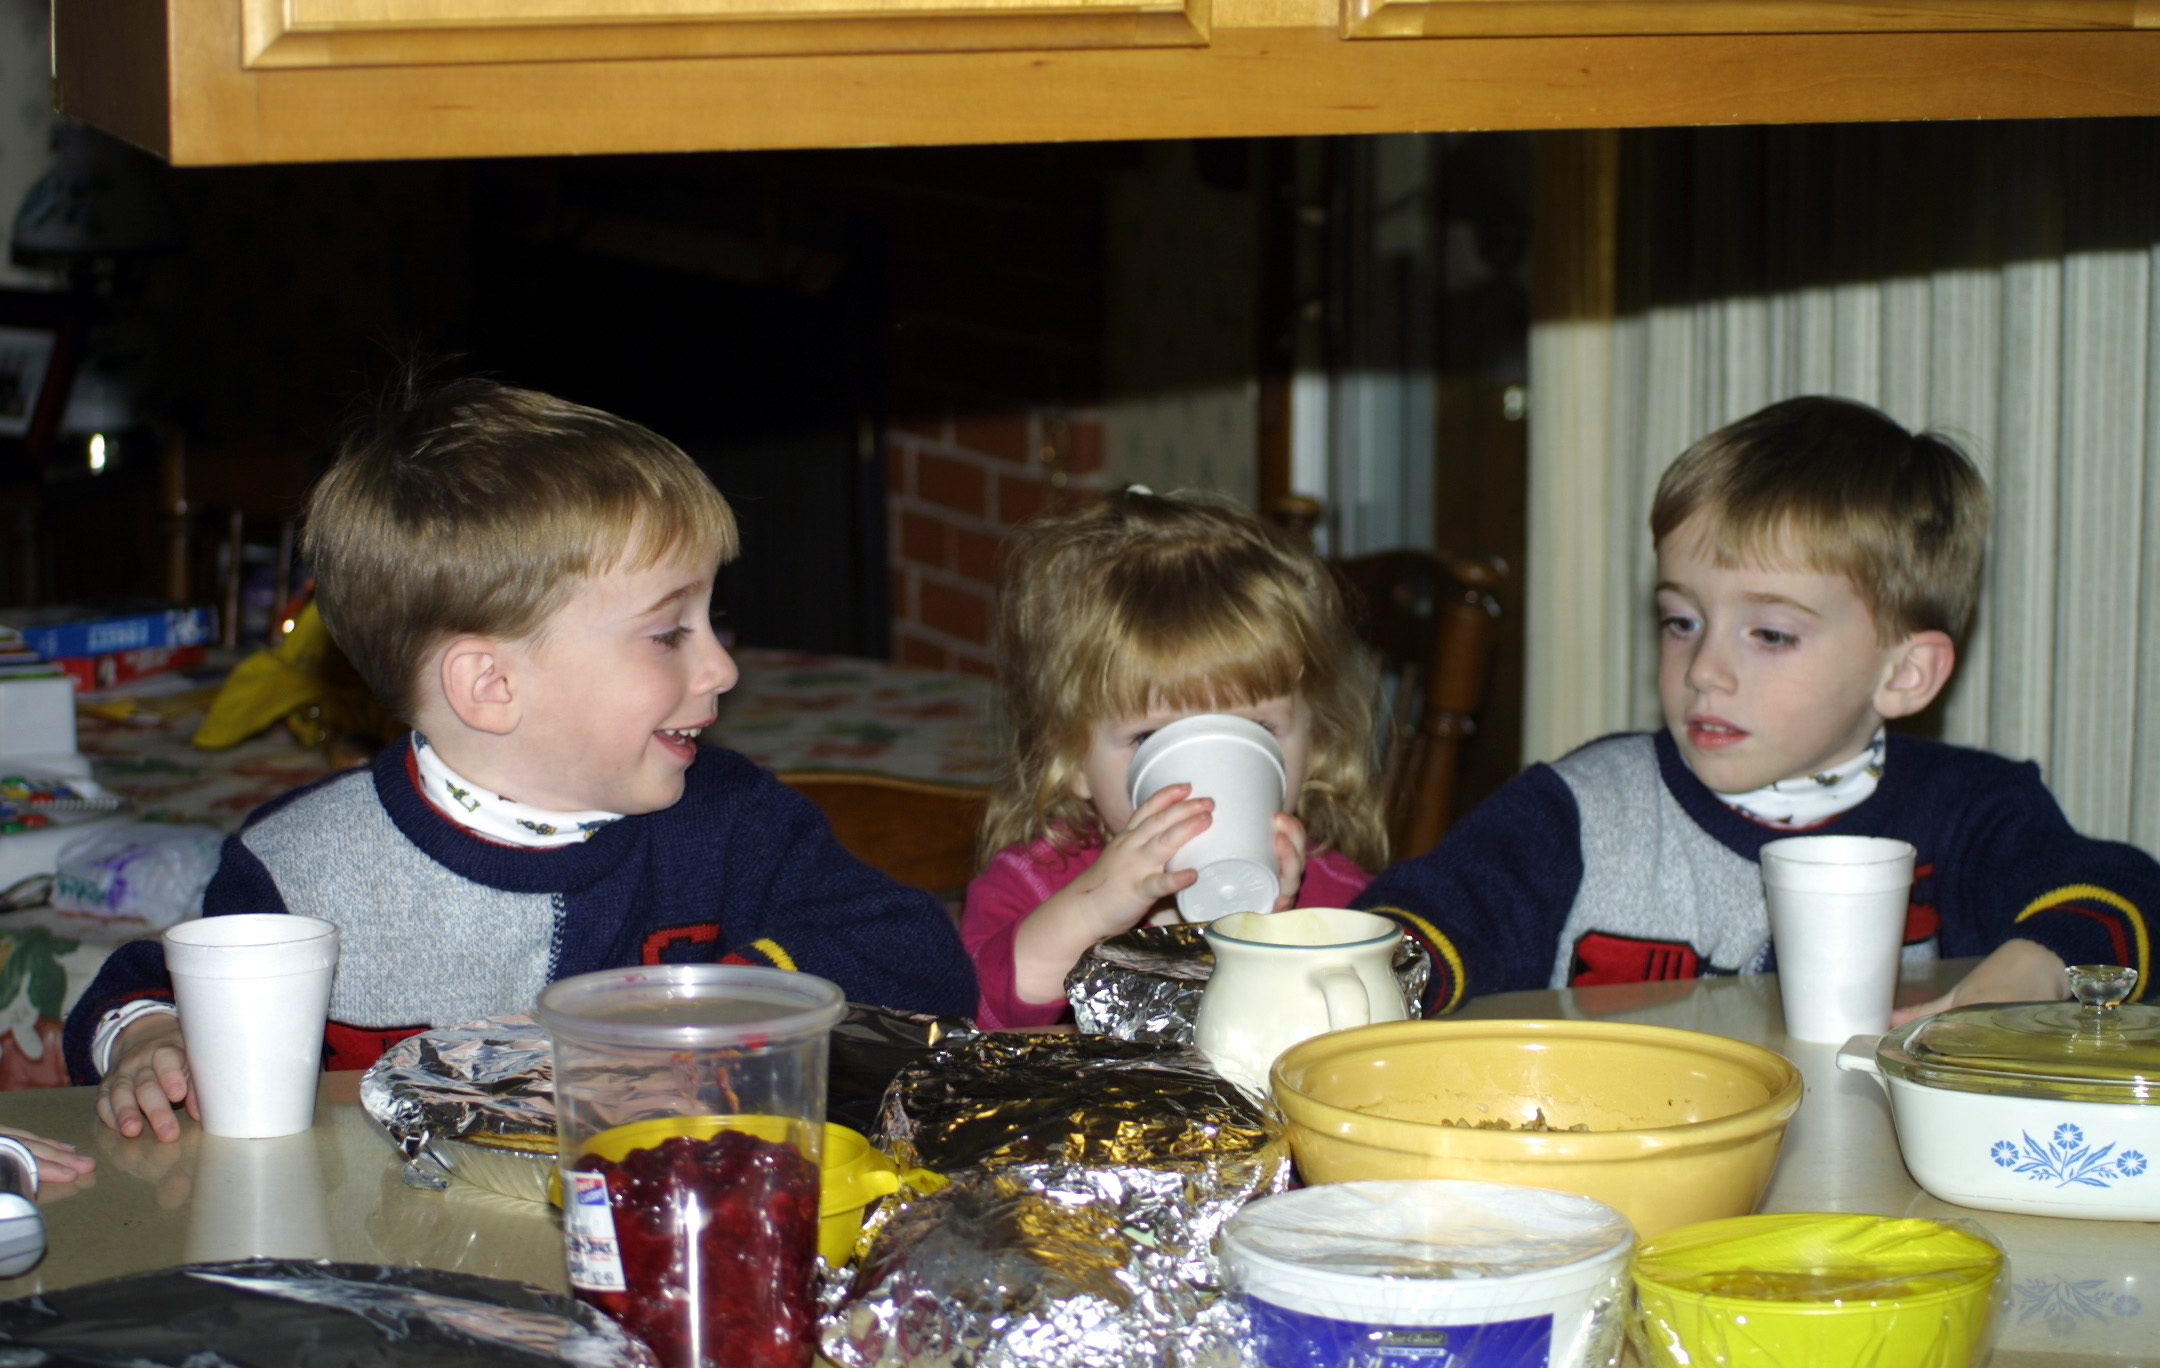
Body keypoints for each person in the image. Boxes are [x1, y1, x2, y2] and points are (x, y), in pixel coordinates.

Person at [66, 379, 976, 1141]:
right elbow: (145, 986)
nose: (722, 668)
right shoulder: (300, 866)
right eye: (668, 633)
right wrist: (149, 1041)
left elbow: (920, 956)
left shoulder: (730, 822)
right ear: (491, 685)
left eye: (713, 620)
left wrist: (704, 1013)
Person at [1357, 396, 2158, 1018]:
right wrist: (1363, 978)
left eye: (1771, 634)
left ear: (1906, 674)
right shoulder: (1582, 809)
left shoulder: (1969, 811)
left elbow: (2123, 891)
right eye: (1681, 621)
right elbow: (1428, 918)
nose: (1705, 669)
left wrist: (2040, 963)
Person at [963, 490, 1390, 1029]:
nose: (1208, 785)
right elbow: (974, 1017)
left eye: (1257, 730)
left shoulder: (1340, 902)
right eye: (1151, 737)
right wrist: (1091, 913)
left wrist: (1272, 934)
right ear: (1071, 757)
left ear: (1316, 741)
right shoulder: (1030, 885)